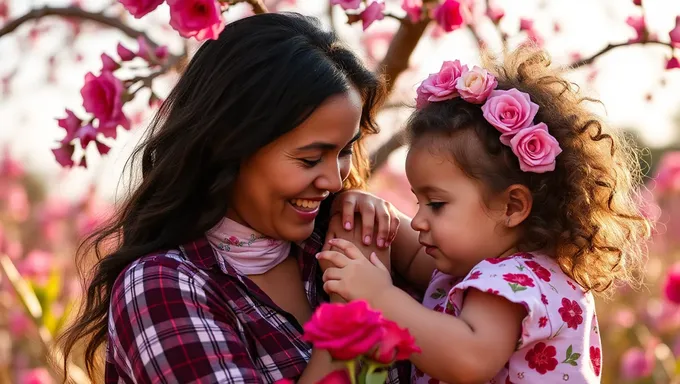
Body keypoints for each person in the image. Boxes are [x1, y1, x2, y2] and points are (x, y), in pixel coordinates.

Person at [58, 12, 433, 384]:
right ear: (231, 146)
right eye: (310, 159)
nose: (335, 180)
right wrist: (354, 312)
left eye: (344, 151)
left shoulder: (343, 233)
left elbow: (482, 290)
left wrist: (391, 229)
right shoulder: (163, 286)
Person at [317, 46, 651, 383]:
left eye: (436, 204)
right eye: (418, 202)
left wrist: (379, 297)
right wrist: (371, 205)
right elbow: (410, 252)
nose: (418, 220)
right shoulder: (493, 264)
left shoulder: (512, 283)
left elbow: (469, 359)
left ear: (512, 207)